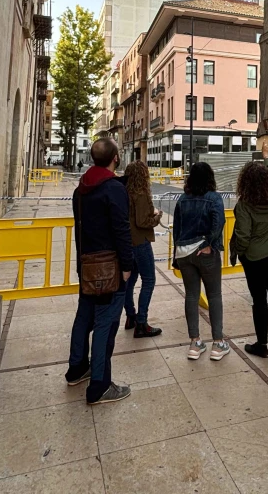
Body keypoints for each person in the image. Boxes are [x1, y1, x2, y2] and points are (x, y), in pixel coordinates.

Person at [65, 138, 134, 405]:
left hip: (87, 265)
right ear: (115, 158)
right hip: (110, 267)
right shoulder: (113, 189)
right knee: (106, 323)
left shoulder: (80, 189)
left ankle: (77, 368)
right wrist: (127, 266)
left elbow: (79, 228)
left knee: (83, 317)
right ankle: (100, 386)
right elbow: (121, 230)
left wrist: (81, 265)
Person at [233, 141, 268, 357]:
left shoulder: (244, 205)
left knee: (259, 299)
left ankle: (262, 345)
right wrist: (266, 155)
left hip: (255, 258)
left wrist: (240, 252)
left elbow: (243, 235)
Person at [173, 162, 229, 361]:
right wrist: (210, 244)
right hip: (205, 253)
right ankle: (217, 343)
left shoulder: (182, 199)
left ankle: (195, 343)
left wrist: (175, 256)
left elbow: (177, 230)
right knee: (214, 296)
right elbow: (219, 222)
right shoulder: (214, 198)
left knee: (191, 296)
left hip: (184, 253)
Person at [122, 160, 163, 338]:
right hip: (141, 241)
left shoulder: (124, 193)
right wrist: (157, 217)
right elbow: (143, 222)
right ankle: (142, 322)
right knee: (149, 281)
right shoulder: (142, 194)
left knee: (130, 281)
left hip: (127, 242)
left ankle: (130, 315)